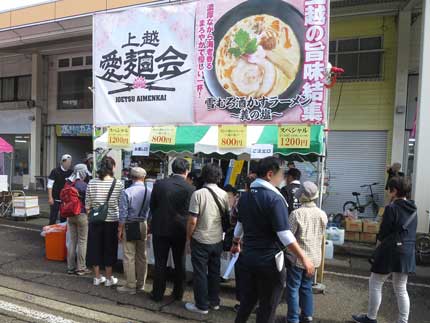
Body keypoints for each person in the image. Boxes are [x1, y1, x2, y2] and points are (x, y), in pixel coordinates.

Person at [231, 157, 315, 323]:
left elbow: (240, 225)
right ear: (270, 174)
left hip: (249, 259)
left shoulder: (245, 197)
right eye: (281, 175)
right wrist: (304, 258)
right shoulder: (275, 199)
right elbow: (284, 234)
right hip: (270, 262)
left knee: (247, 302)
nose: (282, 179)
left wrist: (235, 243)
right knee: (268, 307)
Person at [352, 177, 417, 323]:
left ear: (394, 191)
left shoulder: (391, 208)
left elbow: (383, 233)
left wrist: (377, 249)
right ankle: (403, 321)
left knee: (375, 282)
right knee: (401, 288)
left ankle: (371, 317)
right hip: (407, 252)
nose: (388, 192)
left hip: (390, 251)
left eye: (389, 190)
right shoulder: (414, 209)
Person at [185, 163, 229, 315]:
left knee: (200, 273)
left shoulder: (198, 194)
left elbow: (192, 221)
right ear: (219, 176)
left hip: (200, 239)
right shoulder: (224, 194)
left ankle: (201, 305)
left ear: (203, 175)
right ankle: (214, 301)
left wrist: (188, 238)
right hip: (217, 239)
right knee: (215, 272)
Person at [149, 158, 195, 302]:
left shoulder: (160, 184)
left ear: (172, 169)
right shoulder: (190, 189)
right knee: (179, 262)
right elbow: (191, 212)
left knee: (160, 262)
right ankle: (178, 293)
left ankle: (157, 293)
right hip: (180, 230)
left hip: (160, 227)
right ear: (187, 171)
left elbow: (153, 206)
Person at [286, 181, 328, 323]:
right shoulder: (322, 214)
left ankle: (293, 318)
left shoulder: (296, 214)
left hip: (298, 258)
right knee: (306, 287)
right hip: (314, 257)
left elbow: (289, 237)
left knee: (293, 288)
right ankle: (307, 315)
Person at [85, 156, 124, 287]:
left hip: (95, 220)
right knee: (109, 248)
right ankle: (108, 278)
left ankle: (96, 277)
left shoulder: (92, 182)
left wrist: (91, 214)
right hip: (112, 220)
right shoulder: (118, 184)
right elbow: (121, 204)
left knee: (94, 247)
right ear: (112, 167)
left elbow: (87, 205)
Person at [117, 167, 152, 295]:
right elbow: (151, 211)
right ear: (144, 178)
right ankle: (140, 284)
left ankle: (130, 285)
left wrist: (119, 229)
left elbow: (123, 213)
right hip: (143, 224)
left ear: (131, 177)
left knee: (129, 256)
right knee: (142, 255)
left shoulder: (127, 192)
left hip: (129, 225)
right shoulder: (150, 191)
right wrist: (148, 224)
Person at [65, 164, 91, 276]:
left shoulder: (68, 183)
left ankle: (70, 267)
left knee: (72, 241)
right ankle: (81, 268)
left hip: (70, 215)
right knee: (82, 241)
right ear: (82, 173)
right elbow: (89, 201)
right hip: (82, 214)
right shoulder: (84, 185)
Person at [48, 154, 73, 225]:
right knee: (53, 217)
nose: (69, 164)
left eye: (70, 162)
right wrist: (50, 197)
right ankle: (50, 233)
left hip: (65, 200)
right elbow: (50, 185)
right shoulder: (55, 171)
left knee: (64, 218)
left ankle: (62, 234)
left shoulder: (71, 172)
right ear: (63, 162)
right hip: (55, 198)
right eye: (67, 162)